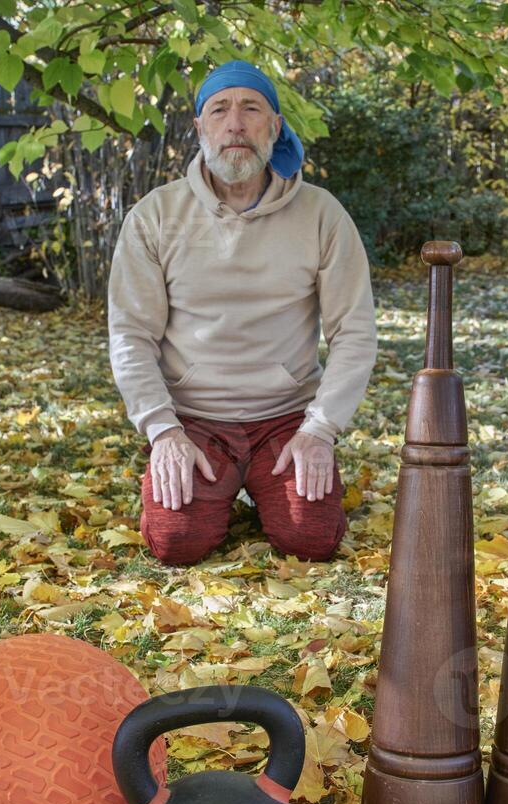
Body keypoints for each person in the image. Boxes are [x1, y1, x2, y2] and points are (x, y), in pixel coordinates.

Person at [107, 60, 377, 565]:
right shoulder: (155, 216)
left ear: (274, 127)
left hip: (286, 420)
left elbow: (354, 332)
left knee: (311, 540)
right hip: (194, 420)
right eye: (219, 110)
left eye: (251, 108)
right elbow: (131, 335)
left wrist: (320, 429)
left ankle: (265, 487)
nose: (235, 123)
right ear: (199, 128)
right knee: (175, 543)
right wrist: (162, 431)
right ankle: (220, 487)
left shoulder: (323, 215)